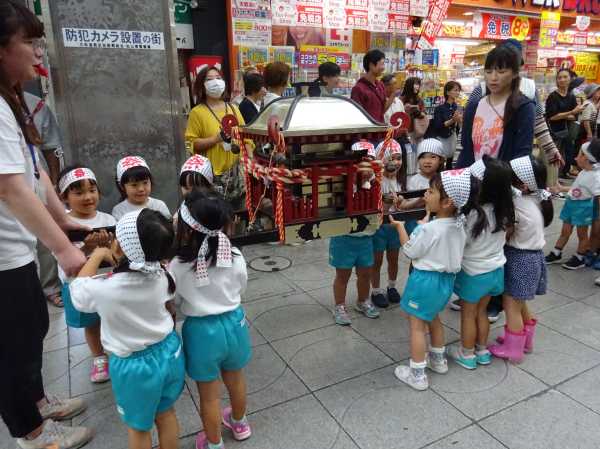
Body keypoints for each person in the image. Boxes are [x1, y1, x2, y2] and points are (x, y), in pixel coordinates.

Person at [0, 2, 93, 448]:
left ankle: (37, 401)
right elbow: (10, 188)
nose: (39, 51)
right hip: (2, 255)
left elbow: (34, 170)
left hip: (16, 245)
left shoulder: (12, 97)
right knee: (12, 346)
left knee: (34, 326)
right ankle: (32, 433)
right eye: (29, 41)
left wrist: (64, 220)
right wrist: (63, 248)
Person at [70, 209, 184, 449]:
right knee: (166, 414)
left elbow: (78, 290)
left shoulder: (105, 289)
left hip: (133, 367)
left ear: (121, 248)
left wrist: (97, 255)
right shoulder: (164, 275)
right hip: (169, 353)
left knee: (139, 427)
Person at [170, 191, 252, 449]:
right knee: (236, 380)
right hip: (235, 323)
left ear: (186, 229)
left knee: (209, 396)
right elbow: (241, 287)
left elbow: (175, 301)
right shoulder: (235, 255)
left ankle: (214, 443)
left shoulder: (177, 265)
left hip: (201, 331)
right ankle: (240, 423)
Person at [389, 169, 471, 390]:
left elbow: (411, 250)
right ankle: (438, 360)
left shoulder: (430, 229)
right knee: (433, 317)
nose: (426, 193)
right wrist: (425, 223)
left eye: (431, 191)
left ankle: (417, 375)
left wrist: (400, 227)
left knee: (417, 326)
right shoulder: (459, 224)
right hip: (445, 283)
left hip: (425, 281)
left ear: (446, 202)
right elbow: (436, 236)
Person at [448, 157, 515, 370]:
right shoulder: (505, 209)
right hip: (495, 270)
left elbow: (461, 242)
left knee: (468, 314)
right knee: (482, 311)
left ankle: (467, 354)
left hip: (473, 273)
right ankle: (482, 351)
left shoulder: (472, 213)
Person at [489, 155, 553, 363]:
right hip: (533, 258)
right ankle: (524, 341)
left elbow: (506, 234)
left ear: (522, 185)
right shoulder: (535, 200)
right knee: (520, 303)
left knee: (511, 306)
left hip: (520, 260)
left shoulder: (517, 205)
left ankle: (513, 350)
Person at [57, 165, 116, 384]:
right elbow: (65, 262)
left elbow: (115, 255)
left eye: (92, 190)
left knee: (111, 318)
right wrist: (87, 248)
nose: (88, 197)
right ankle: (99, 357)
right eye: (78, 192)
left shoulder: (107, 219)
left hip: (107, 281)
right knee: (91, 324)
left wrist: (107, 246)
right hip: (79, 283)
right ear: (64, 197)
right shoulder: (62, 224)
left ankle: (116, 349)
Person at [457, 45, 535, 167]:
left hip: (504, 178)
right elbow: (466, 149)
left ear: (515, 73)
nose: (493, 78)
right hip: (473, 177)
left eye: (501, 72)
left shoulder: (523, 108)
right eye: (488, 72)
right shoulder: (473, 106)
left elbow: (522, 154)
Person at [329, 141, 380, 326]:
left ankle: (363, 301)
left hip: (366, 237)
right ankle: (339, 306)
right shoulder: (341, 184)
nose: (365, 167)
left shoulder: (376, 183)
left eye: (369, 161)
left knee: (365, 273)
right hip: (344, 237)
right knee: (343, 275)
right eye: (360, 162)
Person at [185, 66, 246, 207]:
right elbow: (190, 144)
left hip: (237, 174)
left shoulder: (233, 109)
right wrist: (216, 139)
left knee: (239, 214)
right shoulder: (197, 112)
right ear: (201, 85)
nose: (215, 82)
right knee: (217, 213)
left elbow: (246, 137)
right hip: (213, 177)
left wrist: (248, 161)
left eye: (218, 78)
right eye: (209, 79)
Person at [545, 140, 600, 269]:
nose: (576, 157)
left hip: (583, 207)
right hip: (571, 204)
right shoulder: (584, 172)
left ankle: (580, 256)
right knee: (565, 231)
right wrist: (561, 189)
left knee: (582, 234)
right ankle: (557, 252)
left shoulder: (596, 177)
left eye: (579, 154)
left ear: (587, 159)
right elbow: (577, 189)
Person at [371, 139, 403, 308]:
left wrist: (402, 202)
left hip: (395, 225)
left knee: (394, 259)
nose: (395, 162)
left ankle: (392, 286)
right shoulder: (376, 180)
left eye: (398, 158)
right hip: (379, 226)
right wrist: (386, 203)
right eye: (391, 158)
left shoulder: (401, 180)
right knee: (377, 260)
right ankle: (376, 290)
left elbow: (403, 205)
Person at [399, 138, 445, 236]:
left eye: (433, 157)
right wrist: (419, 201)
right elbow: (405, 205)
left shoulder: (443, 179)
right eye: (423, 157)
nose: (427, 161)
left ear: (440, 160)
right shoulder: (413, 180)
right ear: (418, 159)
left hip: (436, 220)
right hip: (414, 221)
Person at [546, 68, 585, 178]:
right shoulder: (553, 96)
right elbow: (552, 117)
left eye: (565, 77)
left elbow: (574, 117)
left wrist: (564, 115)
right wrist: (570, 113)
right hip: (555, 133)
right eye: (559, 77)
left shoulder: (571, 96)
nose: (562, 80)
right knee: (554, 157)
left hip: (568, 132)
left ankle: (563, 173)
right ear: (556, 80)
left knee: (567, 153)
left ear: (570, 79)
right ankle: (552, 178)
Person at [111, 156, 171, 221]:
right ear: (122, 187)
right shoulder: (119, 211)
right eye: (134, 185)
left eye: (145, 183)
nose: (141, 189)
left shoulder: (159, 206)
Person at [351, 49, 396, 124]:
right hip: (367, 129)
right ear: (371, 65)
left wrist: (393, 94)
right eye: (382, 64)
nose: (383, 68)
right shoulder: (358, 88)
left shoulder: (380, 85)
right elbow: (356, 116)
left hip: (379, 128)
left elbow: (382, 111)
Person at [430, 81, 462, 169]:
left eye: (458, 90)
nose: (457, 93)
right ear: (447, 92)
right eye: (455, 90)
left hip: (452, 137)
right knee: (439, 163)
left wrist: (460, 121)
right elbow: (438, 125)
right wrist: (452, 120)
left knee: (450, 162)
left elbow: (459, 125)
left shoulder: (458, 107)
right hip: (441, 138)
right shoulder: (439, 109)